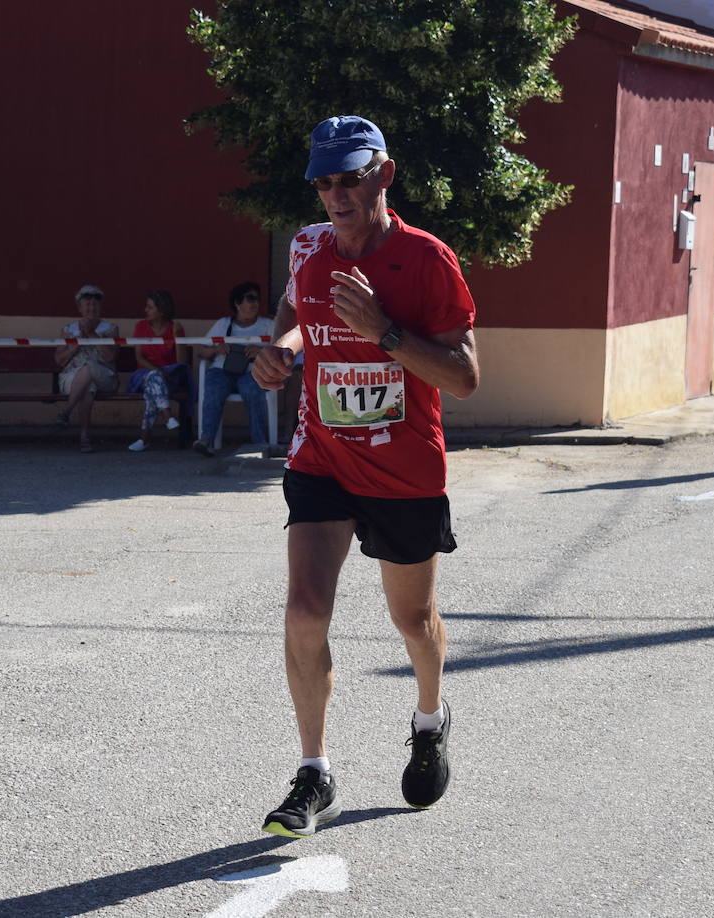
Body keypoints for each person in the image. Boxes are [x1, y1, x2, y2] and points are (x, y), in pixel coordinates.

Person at [251, 115, 480, 837]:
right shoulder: (310, 250)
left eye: (349, 177)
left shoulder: (427, 260)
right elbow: (296, 309)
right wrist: (282, 350)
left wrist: (385, 332)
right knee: (304, 611)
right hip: (322, 460)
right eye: (323, 180)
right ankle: (314, 774)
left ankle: (430, 717)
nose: (334, 193)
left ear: (384, 174)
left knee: (411, 620)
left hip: (404, 468)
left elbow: (467, 377)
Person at [191, 281, 275, 456]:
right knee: (213, 387)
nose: (255, 303)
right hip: (222, 371)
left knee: (253, 389)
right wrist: (217, 348)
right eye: (250, 298)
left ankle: (259, 443)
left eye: (257, 299)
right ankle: (206, 440)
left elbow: (280, 352)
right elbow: (202, 352)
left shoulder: (268, 325)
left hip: (253, 371)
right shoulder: (223, 324)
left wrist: (260, 352)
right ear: (237, 303)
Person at [54, 284, 119, 452]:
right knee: (88, 385)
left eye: (95, 304)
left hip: (105, 377)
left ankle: (66, 411)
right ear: (80, 308)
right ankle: (84, 437)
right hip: (71, 379)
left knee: (89, 367)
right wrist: (73, 347)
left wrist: (92, 335)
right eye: (87, 304)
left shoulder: (110, 329)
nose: (92, 308)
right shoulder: (68, 330)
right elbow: (59, 361)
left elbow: (111, 357)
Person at [125, 289, 187, 452]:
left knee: (152, 392)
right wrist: (158, 371)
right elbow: (139, 358)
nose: (146, 310)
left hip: (169, 377)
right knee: (154, 378)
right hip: (143, 375)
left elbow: (181, 362)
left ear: (162, 310)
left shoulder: (174, 327)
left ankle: (144, 439)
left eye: (150, 307)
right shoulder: (141, 327)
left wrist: (179, 337)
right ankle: (167, 416)